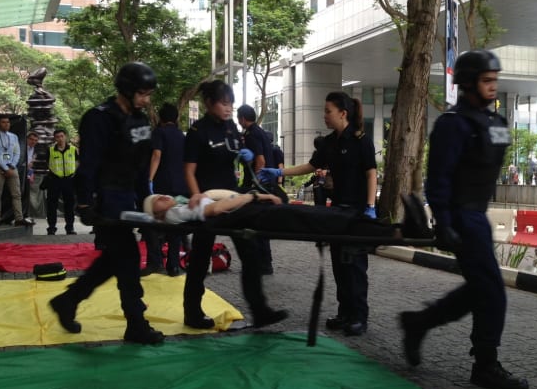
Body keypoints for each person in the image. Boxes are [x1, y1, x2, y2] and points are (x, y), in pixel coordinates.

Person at [397, 49, 529, 389]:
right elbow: (438, 179)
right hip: (462, 216)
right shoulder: (453, 124)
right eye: (487, 81)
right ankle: (485, 365)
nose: (493, 87)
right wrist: (444, 221)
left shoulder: (495, 123)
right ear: (469, 84)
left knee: (480, 289)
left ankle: (419, 322)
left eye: (495, 80)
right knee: (492, 293)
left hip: (478, 215)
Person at [48, 62, 164, 345]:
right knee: (128, 258)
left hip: (128, 197)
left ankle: (68, 300)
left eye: (149, 94)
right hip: (105, 197)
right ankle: (136, 323)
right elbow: (88, 164)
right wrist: (85, 203)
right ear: (125, 90)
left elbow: (140, 164)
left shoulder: (140, 122)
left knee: (115, 259)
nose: (146, 100)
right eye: (141, 94)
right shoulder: (99, 118)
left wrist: (147, 198)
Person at [259, 92, 378, 337]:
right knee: (339, 264)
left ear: (342, 113)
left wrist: (370, 206)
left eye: (328, 111)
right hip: (336, 210)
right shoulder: (329, 143)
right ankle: (344, 312)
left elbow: (371, 173)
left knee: (355, 265)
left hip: (357, 211)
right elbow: (311, 166)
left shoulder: (361, 140)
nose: (324, 116)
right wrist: (279, 172)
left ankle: (358, 316)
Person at [182, 80, 287, 330]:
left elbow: (237, 154)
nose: (229, 109)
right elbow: (188, 170)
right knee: (200, 256)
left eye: (231, 104)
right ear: (210, 103)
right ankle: (192, 312)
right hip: (208, 200)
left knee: (249, 252)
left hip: (231, 196)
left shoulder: (230, 127)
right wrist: (197, 196)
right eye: (224, 103)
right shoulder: (198, 131)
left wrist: (245, 156)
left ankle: (260, 310)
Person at [140, 189, 422, 240]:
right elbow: (218, 208)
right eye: (157, 201)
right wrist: (256, 196)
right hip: (252, 216)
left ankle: (397, 229)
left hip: (253, 212)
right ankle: (397, 231)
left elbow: (219, 201)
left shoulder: (179, 207)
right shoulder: (174, 215)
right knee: (326, 221)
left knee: (329, 219)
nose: (162, 197)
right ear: (157, 214)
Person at [142, 103, 187, 277]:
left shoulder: (159, 133)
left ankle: (155, 260)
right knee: (174, 223)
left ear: (161, 119)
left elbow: (156, 156)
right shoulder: (182, 136)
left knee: (153, 223)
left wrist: (150, 179)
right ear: (176, 119)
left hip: (163, 183)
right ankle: (173, 265)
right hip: (180, 184)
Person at [236, 104, 275, 275]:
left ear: (243, 119)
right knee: (259, 223)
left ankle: (262, 263)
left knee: (254, 223)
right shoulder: (260, 131)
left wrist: (254, 184)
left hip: (258, 185)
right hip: (266, 183)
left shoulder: (251, 134)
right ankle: (264, 262)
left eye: (239, 119)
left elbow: (260, 161)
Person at [0, 115, 33, 227]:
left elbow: (17, 152)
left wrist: (12, 166)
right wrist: (5, 168)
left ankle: (19, 218)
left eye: (8, 122)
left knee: (16, 194)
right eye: (3, 122)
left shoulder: (14, 137)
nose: (6, 124)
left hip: (12, 167)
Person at [45, 128, 78, 236]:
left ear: (66, 137)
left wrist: (75, 174)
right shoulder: (50, 150)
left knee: (69, 205)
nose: (60, 139)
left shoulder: (73, 149)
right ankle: (51, 227)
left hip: (69, 180)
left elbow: (78, 162)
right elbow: (46, 163)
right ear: (55, 138)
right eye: (57, 137)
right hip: (54, 180)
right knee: (51, 205)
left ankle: (70, 227)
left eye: (62, 136)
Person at [22, 130, 44, 221]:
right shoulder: (22, 147)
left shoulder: (34, 150)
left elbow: (31, 164)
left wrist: (30, 174)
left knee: (27, 193)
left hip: (28, 172)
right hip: (20, 171)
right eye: (31, 139)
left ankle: (27, 213)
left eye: (35, 140)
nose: (33, 141)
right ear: (27, 139)